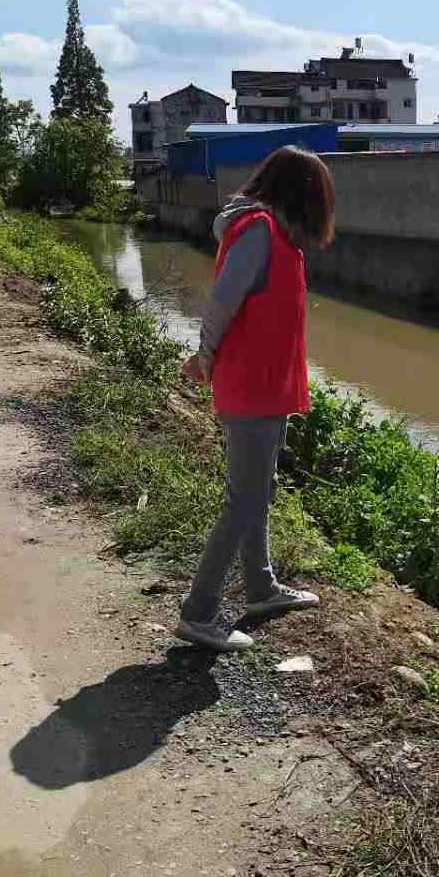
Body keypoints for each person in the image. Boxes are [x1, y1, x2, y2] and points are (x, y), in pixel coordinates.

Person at [177, 145, 335, 653]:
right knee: (244, 501)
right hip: (250, 388)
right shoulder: (260, 231)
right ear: (301, 194)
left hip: (267, 387)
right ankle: (199, 613)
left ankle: (261, 587)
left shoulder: (276, 235)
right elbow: (220, 303)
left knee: (258, 492)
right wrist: (205, 358)